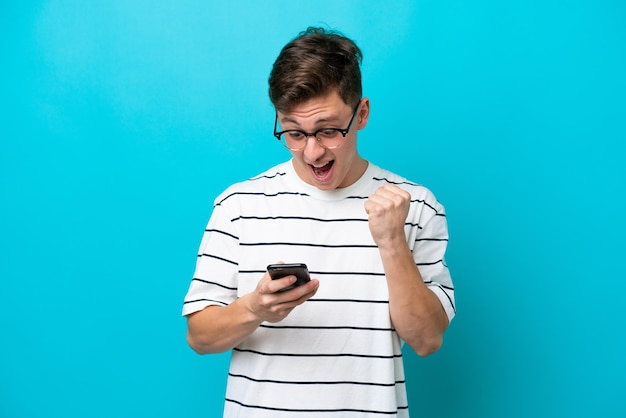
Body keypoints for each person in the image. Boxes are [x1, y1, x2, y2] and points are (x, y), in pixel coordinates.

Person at [182, 26, 456, 417]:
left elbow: (427, 339)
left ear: (361, 114)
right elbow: (199, 336)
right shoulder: (238, 205)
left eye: (328, 131)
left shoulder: (415, 205)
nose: (312, 152)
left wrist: (392, 242)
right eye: (294, 133)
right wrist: (255, 308)